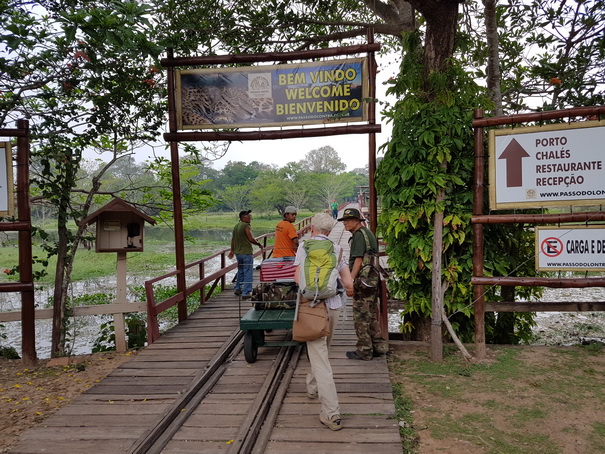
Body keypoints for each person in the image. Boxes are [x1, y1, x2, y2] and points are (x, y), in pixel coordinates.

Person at [293, 212, 354, 431]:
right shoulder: (336, 250)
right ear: (329, 231)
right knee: (322, 352)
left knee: (320, 358)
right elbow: (348, 283)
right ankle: (312, 386)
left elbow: (296, 278)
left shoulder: (304, 246)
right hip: (334, 306)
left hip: (312, 308)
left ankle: (331, 413)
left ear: (312, 228)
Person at [338, 207, 388, 361]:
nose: (345, 223)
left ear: (356, 221)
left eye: (348, 220)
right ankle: (379, 347)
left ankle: (364, 350)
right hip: (371, 280)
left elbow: (358, 260)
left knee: (360, 316)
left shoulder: (359, 236)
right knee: (371, 313)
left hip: (363, 281)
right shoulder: (367, 233)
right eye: (344, 221)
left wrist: (350, 282)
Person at [228, 210, 263, 299]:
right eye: (248, 216)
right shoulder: (245, 226)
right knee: (248, 271)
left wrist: (232, 251)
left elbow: (233, 240)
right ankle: (246, 292)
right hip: (246, 252)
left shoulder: (236, 226)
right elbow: (250, 238)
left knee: (240, 271)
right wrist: (258, 243)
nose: (250, 217)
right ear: (243, 217)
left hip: (238, 253)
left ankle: (238, 288)